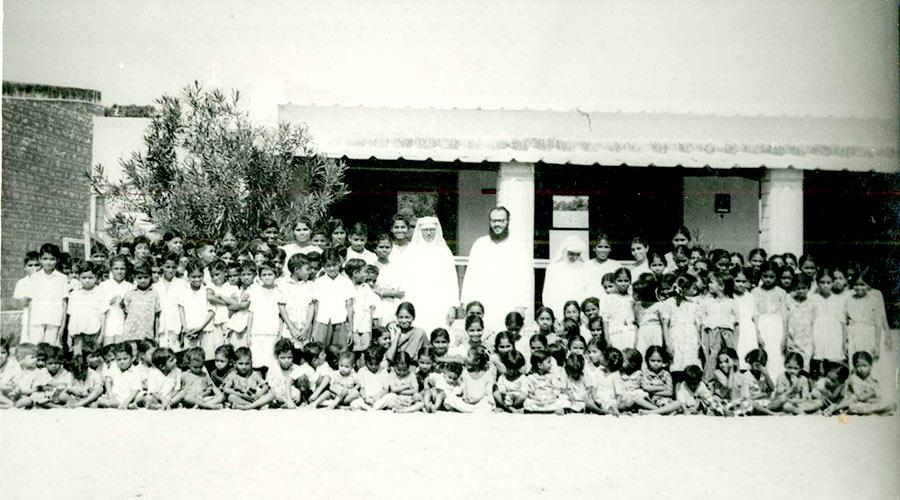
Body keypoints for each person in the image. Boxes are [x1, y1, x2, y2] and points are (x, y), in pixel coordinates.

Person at [460, 207, 533, 333]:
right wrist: (466, 301)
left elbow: (525, 278)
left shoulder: (518, 246)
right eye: (494, 221)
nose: (497, 224)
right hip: (484, 300)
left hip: (509, 300)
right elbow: (471, 274)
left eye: (501, 221)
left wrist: (522, 306)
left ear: (508, 221)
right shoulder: (480, 244)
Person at [397, 216, 459, 333]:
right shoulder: (411, 252)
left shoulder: (444, 252)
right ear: (420, 231)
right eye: (426, 230)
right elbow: (403, 280)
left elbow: (452, 280)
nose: (429, 233)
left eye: (432, 230)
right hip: (417, 299)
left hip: (440, 301)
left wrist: (452, 306)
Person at [308, 249, 354, 358]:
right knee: (320, 353)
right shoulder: (318, 282)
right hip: (322, 322)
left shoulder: (346, 282)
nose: (332, 268)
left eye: (334, 264)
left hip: (340, 322)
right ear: (323, 266)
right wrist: (314, 330)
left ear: (339, 263)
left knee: (340, 354)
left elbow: (349, 306)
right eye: (328, 265)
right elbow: (316, 307)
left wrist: (350, 330)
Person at [23, 244, 70, 346]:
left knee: (51, 350)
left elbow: (64, 303)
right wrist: (28, 324)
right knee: (36, 349)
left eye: (52, 259)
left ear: (57, 260)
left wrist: (62, 326)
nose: (48, 262)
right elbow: (30, 302)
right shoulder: (35, 277)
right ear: (40, 259)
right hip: (36, 320)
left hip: (54, 320)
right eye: (45, 258)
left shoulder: (62, 278)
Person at [752, 262, 788, 381]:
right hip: (762, 327)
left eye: (772, 277)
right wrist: (757, 334)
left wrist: (785, 336)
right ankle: (764, 385)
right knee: (763, 356)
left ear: (776, 277)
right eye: (765, 276)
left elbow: (784, 315)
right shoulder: (755, 292)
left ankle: (777, 384)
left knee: (777, 357)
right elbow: (755, 315)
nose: (768, 279)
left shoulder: (781, 292)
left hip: (777, 329)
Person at [542, 235, 590, 319]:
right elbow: (547, 293)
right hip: (557, 309)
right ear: (565, 251)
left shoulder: (584, 268)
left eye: (577, 254)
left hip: (578, 311)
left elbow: (587, 290)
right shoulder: (553, 268)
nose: (574, 257)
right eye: (571, 254)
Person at [810, 268, 847, 378]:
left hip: (834, 335)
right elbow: (810, 320)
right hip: (818, 333)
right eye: (822, 282)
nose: (825, 285)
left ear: (832, 283)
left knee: (833, 362)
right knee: (819, 361)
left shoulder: (839, 300)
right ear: (817, 283)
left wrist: (844, 343)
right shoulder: (812, 298)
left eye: (828, 282)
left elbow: (843, 323)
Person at [66, 262, 108, 354]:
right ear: (79, 277)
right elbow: (71, 315)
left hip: (94, 331)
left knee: (93, 356)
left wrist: (101, 335)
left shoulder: (101, 293)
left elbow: (103, 315)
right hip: (77, 333)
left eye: (90, 277)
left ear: (96, 277)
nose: (87, 280)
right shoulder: (75, 294)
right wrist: (69, 335)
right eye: (84, 278)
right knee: (78, 357)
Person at [602, 268, 637, 351]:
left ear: (630, 281)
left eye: (626, 281)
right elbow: (605, 320)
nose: (623, 284)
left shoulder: (633, 298)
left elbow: (636, 320)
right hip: (614, 333)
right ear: (614, 281)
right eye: (620, 281)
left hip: (630, 333)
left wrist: (636, 338)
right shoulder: (609, 298)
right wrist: (607, 339)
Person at [584, 232, 621, 298]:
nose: (603, 250)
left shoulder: (616, 266)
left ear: (610, 249)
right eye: (600, 247)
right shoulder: (586, 265)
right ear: (594, 248)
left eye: (606, 247)